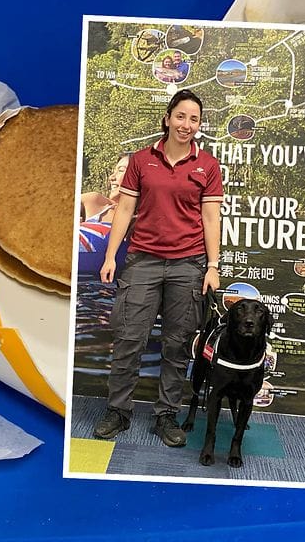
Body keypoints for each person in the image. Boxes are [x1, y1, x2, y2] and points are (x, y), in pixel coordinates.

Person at [92, 89, 223, 447]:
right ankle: (118, 411)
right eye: (180, 116)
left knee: (176, 346)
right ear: (167, 118)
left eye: (194, 119)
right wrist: (110, 256)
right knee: (128, 340)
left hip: (188, 265)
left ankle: (166, 414)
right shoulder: (140, 160)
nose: (186, 124)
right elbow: (124, 210)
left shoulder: (208, 166)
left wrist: (212, 266)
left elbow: (211, 218)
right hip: (142, 262)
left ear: (199, 125)